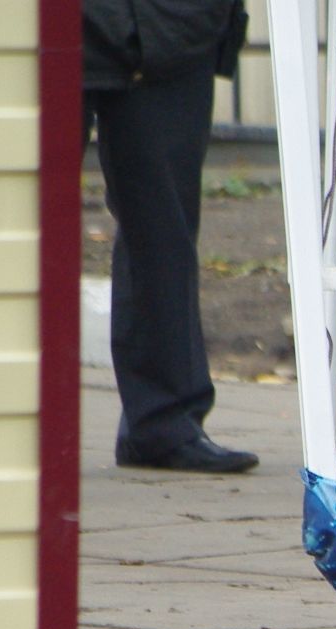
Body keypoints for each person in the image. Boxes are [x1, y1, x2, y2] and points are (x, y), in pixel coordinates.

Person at [83, 0, 258, 473]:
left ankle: (165, 422)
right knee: (15, 224)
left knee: (165, 226)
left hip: (175, 24)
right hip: (54, 24)